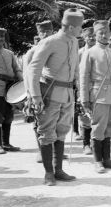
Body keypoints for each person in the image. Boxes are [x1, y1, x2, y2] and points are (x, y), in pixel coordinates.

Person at [27, 9, 84, 185]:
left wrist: (79, 94)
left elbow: (76, 70)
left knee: (61, 132)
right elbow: (33, 70)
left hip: (67, 95)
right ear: (71, 27)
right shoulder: (50, 42)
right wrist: (35, 96)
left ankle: (58, 170)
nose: (81, 30)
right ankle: (48, 173)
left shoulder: (74, 41)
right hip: (49, 94)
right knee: (46, 132)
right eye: (80, 27)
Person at [80, 20, 111, 172]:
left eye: (107, 32)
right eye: (101, 33)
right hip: (98, 94)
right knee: (98, 127)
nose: (105, 35)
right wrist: (85, 98)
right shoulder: (90, 52)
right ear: (95, 35)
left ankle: (107, 159)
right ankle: (97, 161)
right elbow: (84, 77)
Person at [23, 20, 55, 163]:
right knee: (39, 123)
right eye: (42, 32)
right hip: (38, 92)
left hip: (53, 91)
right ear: (38, 34)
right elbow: (27, 75)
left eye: (48, 31)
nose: (45, 34)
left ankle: (53, 151)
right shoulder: (31, 53)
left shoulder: (56, 49)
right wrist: (30, 95)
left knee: (55, 121)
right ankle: (41, 151)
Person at [77, 26, 96, 153]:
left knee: (98, 117)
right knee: (85, 117)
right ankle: (86, 144)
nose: (92, 38)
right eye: (89, 36)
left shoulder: (99, 51)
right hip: (83, 88)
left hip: (97, 88)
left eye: (94, 36)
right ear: (84, 38)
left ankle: (96, 143)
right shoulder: (79, 53)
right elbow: (76, 72)